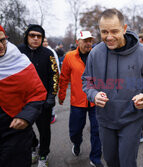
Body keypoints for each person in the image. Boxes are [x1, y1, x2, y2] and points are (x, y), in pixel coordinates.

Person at [82, 8, 143, 167]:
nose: (109, 36)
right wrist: (93, 94)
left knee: (127, 162)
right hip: (105, 119)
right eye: (104, 32)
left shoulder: (142, 52)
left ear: (124, 29)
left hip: (131, 118)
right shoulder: (95, 53)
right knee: (111, 160)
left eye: (114, 31)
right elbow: (87, 81)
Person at [0, 25, 47, 167]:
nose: (0, 46)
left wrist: (26, 116)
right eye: (32, 35)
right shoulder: (22, 49)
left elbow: (40, 90)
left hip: (15, 133)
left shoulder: (21, 61)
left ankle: (43, 154)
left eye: (2, 41)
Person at [58, 30, 103, 167]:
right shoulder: (69, 57)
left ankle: (95, 158)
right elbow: (64, 77)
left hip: (95, 100)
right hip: (77, 101)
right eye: (85, 41)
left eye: (90, 41)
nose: (88, 43)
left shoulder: (97, 56)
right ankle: (76, 143)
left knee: (97, 130)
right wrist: (61, 94)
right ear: (78, 42)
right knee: (75, 130)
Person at [18, 24, 59, 167]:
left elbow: (54, 76)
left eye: (39, 36)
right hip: (23, 100)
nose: (35, 38)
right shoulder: (17, 51)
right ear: (26, 36)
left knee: (44, 130)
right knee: (25, 128)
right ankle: (33, 146)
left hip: (43, 101)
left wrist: (51, 96)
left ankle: (43, 154)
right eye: (32, 35)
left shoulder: (48, 53)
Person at [43, 37, 60, 124]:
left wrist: (58, 76)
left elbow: (56, 64)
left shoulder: (51, 51)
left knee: (51, 97)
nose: (45, 43)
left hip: (51, 79)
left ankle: (52, 114)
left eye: (46, 41)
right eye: (43, 41)